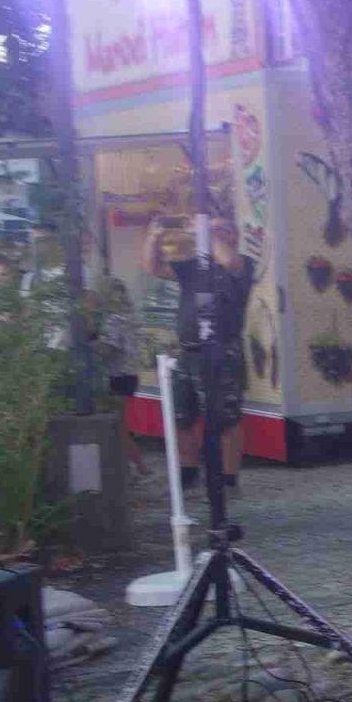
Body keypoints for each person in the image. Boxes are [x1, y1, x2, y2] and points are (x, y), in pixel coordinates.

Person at [145, 206, 255, 490]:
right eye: (212, 228)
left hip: (222, 351)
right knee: (182, 416)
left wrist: (206, 231)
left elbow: (227, 259)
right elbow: (154, 268)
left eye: (220, 230)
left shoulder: (242, 264)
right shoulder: (194, 265)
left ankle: (229, 478)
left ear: (233, 236)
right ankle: (189, 470)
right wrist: (154, 236)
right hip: (188, 351)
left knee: (226, 418)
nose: (213, 233)